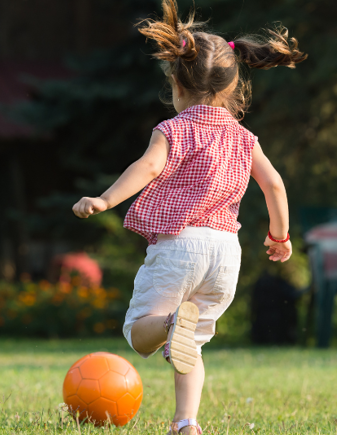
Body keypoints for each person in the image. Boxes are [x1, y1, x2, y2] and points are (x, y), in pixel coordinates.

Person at [72, 0, 307, 433]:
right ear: (233, 86)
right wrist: (280, 236)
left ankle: (170, 324)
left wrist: (105, 199)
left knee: (140, 330)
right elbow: (274, 184)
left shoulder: (174, 129)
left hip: (180, 246)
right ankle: (186, 423)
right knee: (190, 346)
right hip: (225, 253)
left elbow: (146, 168)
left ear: (178, 87)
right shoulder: (243, 136)